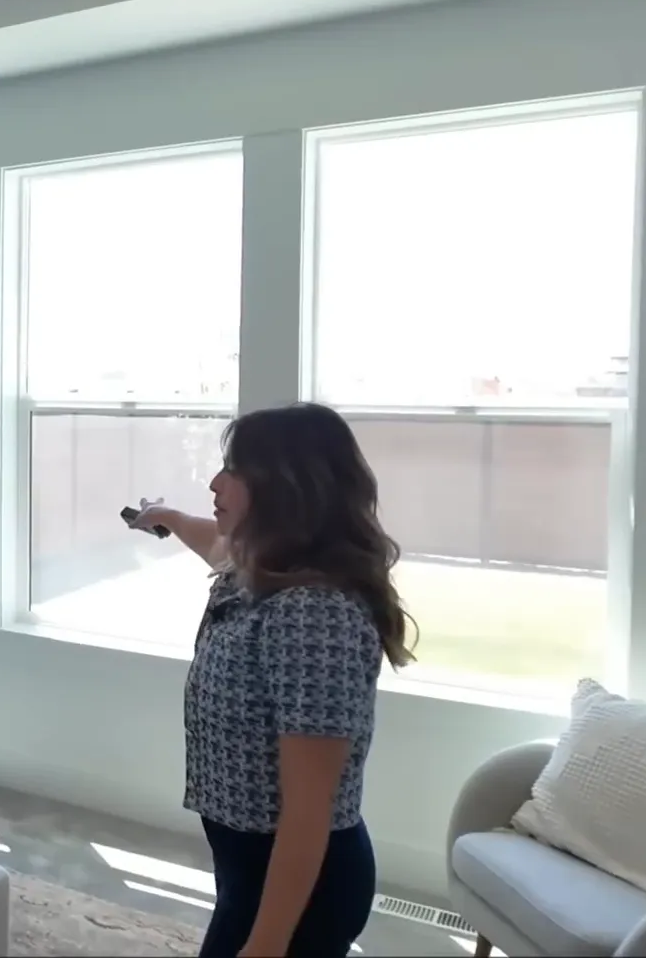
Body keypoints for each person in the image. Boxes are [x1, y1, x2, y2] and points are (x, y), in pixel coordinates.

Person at [128, 402, 414, 958]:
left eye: (232, 470)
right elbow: (213, 540)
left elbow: (308, 810)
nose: (215, 483)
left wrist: (266, 945)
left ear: (287, 488)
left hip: (299, 889)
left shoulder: (313, 613)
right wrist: (165, 516)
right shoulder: (263, 570)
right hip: (250, 868)